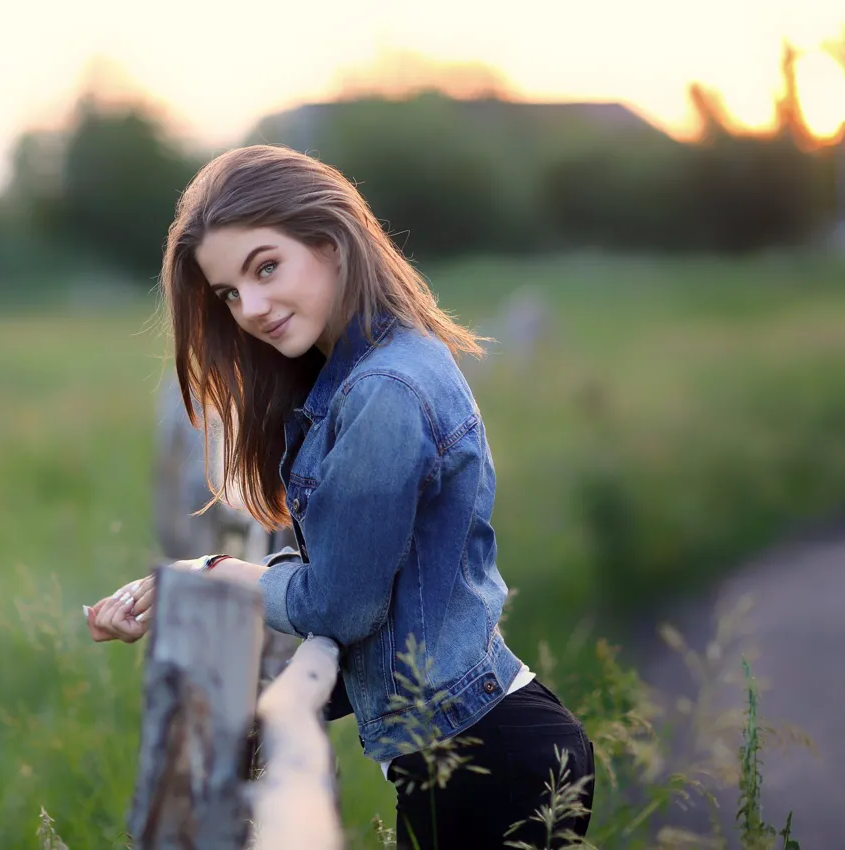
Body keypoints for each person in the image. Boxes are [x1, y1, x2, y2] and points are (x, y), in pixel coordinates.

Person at [85, 144, 594, 849]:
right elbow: (371, 576)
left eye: (266, 267)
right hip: (473, 745)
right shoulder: (363, 372)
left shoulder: (384, 391)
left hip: (487, 761)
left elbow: (341, 605)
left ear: (331, 242)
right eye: (230, 293)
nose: (252, 308)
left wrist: (218, 575)